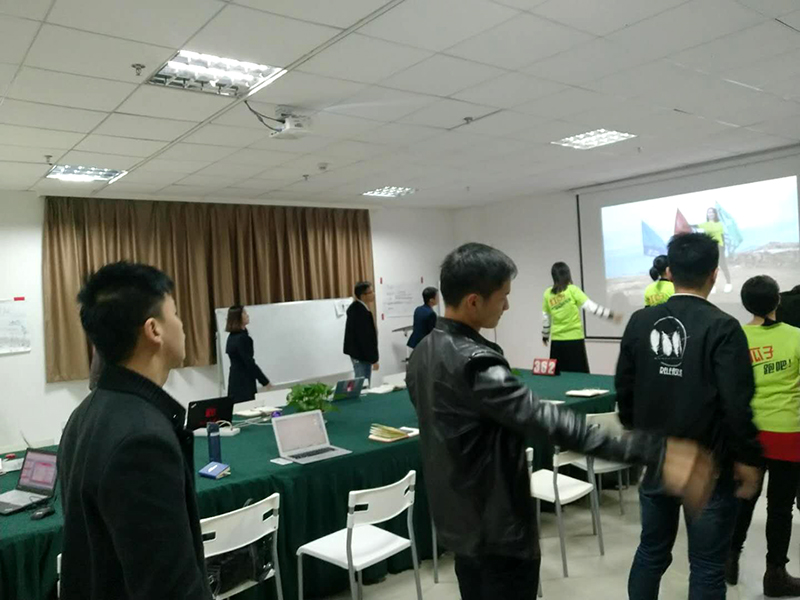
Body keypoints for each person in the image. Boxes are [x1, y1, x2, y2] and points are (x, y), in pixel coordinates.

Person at [408, 242, 717, 600]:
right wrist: (657, 453)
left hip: (458, 520)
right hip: (496, 528)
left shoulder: (424, 351)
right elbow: (550, 422)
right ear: (474, 301)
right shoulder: (475, 362)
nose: (507, 306)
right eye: (503, 297)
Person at [616, 232, 762, 600]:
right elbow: (736, 404)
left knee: (651, 551)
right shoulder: (723, 327)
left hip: (657, 457)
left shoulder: (640, 321)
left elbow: (624, 389)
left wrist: (640, 433)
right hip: (709, 464)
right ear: (714, 274)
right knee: (707, 565)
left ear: (669, 272)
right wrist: (748, 458)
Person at [58, 261, 211, 600]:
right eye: (175, 314)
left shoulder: (84, 414)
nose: (182, 325)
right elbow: (169, 588)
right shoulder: (142, 441)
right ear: (154, 330)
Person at [725, 276, 800, 597]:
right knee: (780, 507)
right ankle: (775, 574)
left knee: (744, 499)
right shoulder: (796, 337)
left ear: (745, 304)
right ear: (777, 301)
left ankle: (730, 557)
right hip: (787, 433)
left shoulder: (736, 338)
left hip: (748, 434)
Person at [542, 261, 620, 373]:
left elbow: (546, 317)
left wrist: (545, 336)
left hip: (557, 342)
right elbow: (591, 307)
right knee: (580, 377)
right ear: (568, 274)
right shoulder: (572, 290)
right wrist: (610, 315)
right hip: (574, 340)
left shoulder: (547, 293)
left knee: (558, 378)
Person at [225, 305, 269, 403]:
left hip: (236, 380)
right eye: (244, 313)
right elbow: (249, 362)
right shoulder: (241, 338)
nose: (247, 315)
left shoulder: (232, 337)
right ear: (238, 317)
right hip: (243, 382)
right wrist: (264, 381)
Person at [343, 281, 378, 386]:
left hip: (361, 354)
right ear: (363, 296)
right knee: (362, 383)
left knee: (363, 382)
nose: (373, 294)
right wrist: (373, 359)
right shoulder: (359, 312)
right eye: (370, 292)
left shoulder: (360, 308)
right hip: (361, 355)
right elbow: (364, 338)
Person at [694, 207, 732, 293]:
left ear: (715, 214)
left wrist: (723, 248)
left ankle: (728, 283)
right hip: (710, 247)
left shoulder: (719, 224)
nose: (710, 214)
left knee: (723, 265)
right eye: (709, 212)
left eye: (712, 212)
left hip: (719, 246)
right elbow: (694, 226)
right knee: (711, 267)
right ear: (707, 214)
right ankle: (712, 286)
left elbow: (722, 236)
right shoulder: (705, 224)